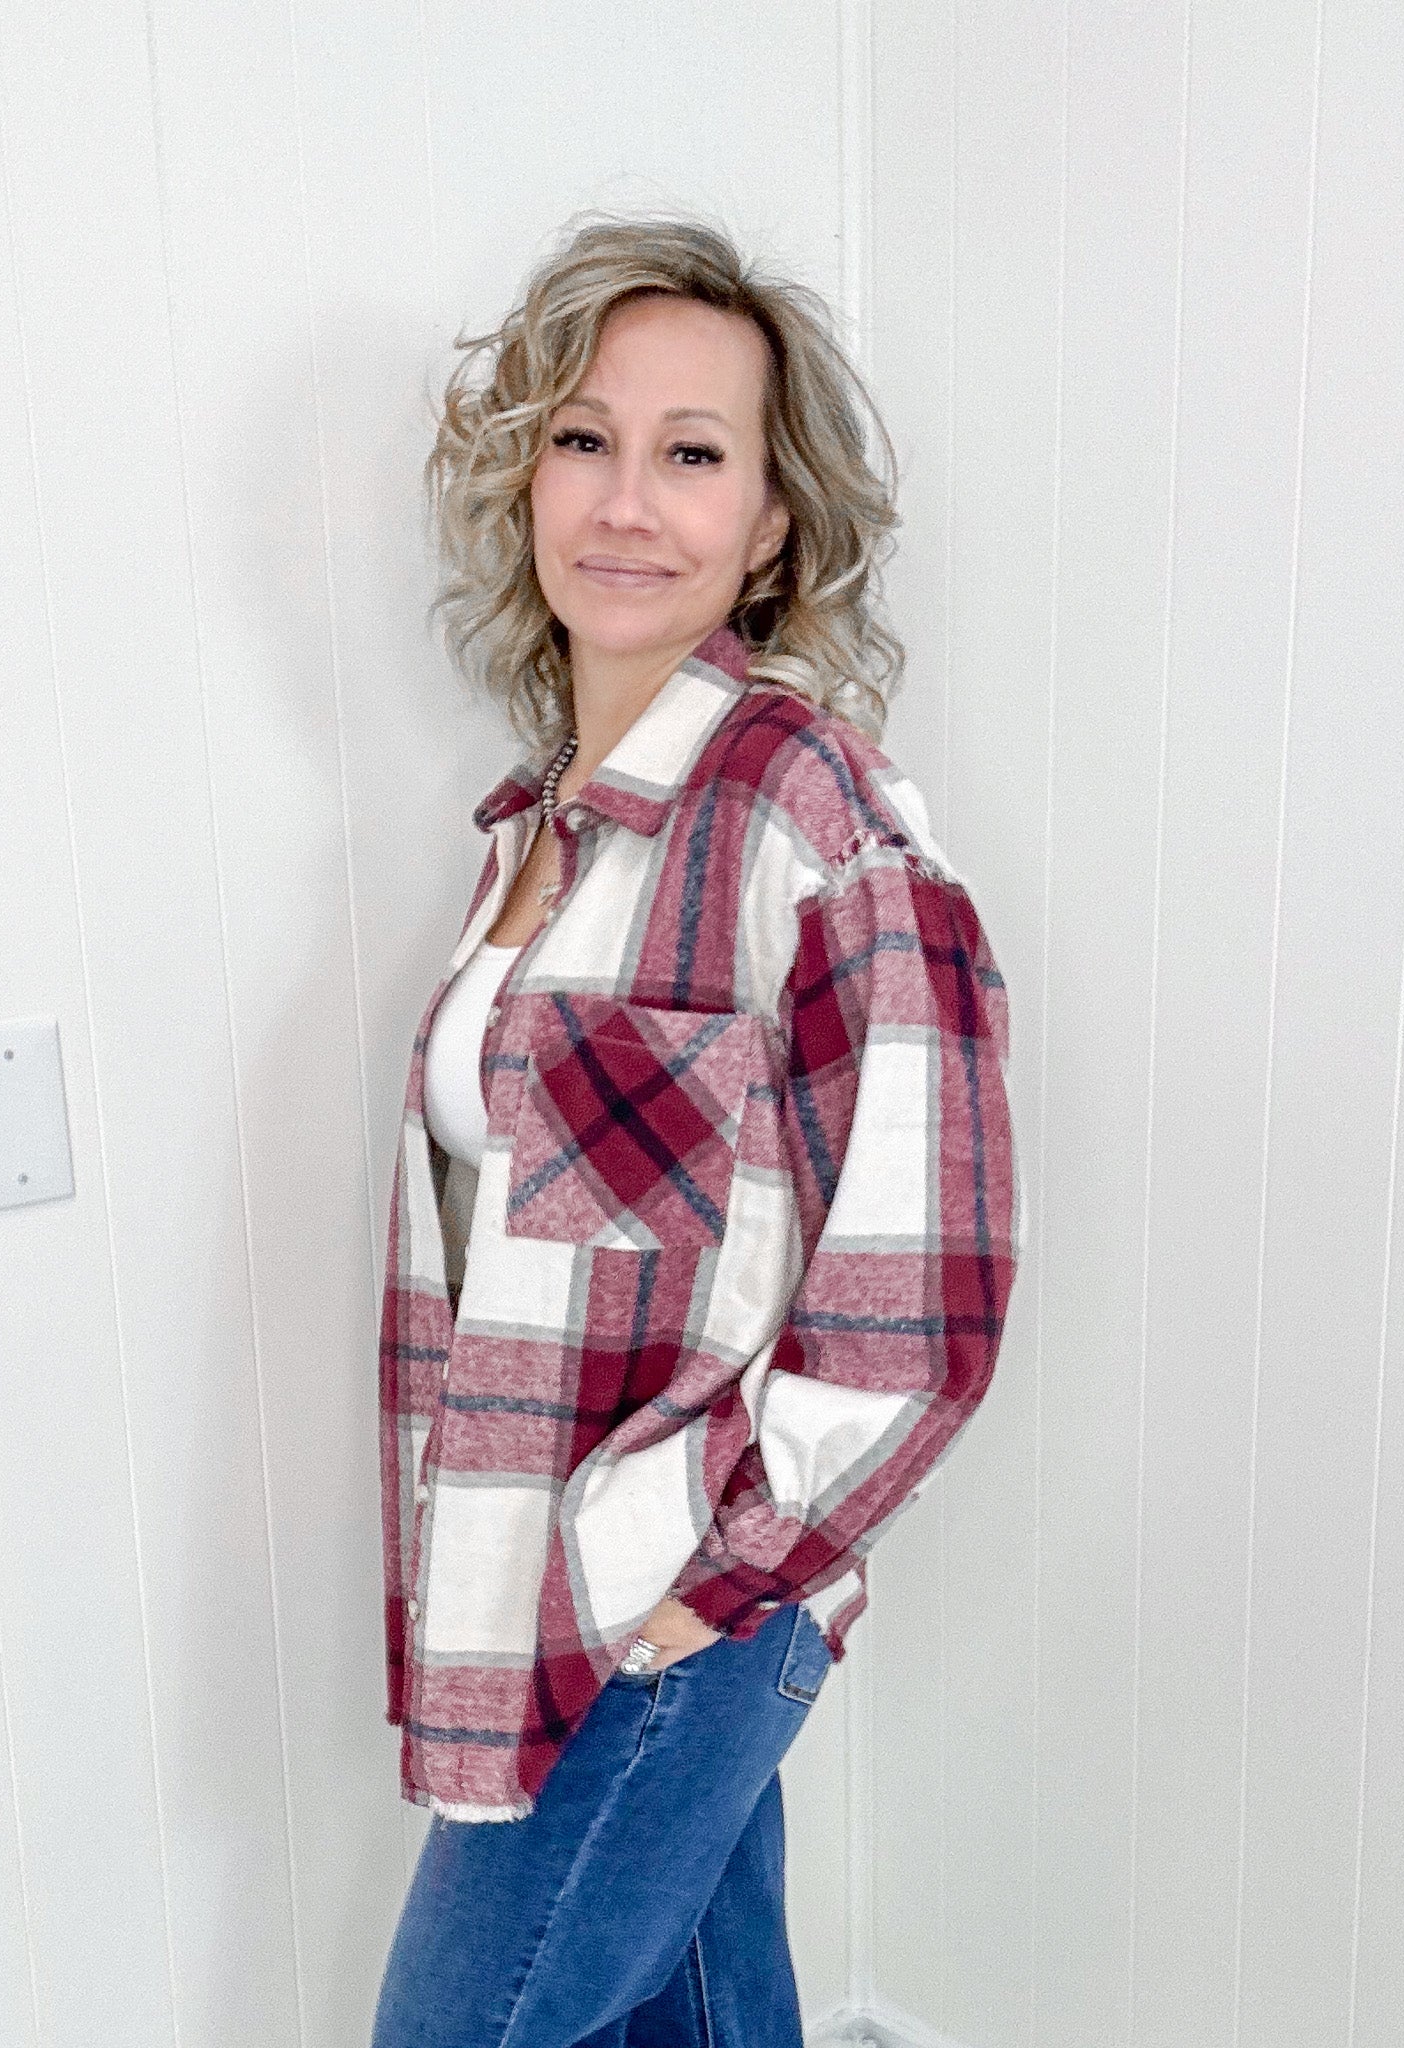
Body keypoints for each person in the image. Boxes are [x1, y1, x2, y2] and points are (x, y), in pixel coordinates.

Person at [371, 210, 1025, 2048]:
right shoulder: (540, 832)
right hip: (537, 1579)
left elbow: (928, 1294)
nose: (626, 503)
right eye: (585, 439)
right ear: (525, 479)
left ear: (773, 523)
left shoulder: (808, 816)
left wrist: (716, 1577)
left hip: (667, 1596)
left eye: (692, 455)